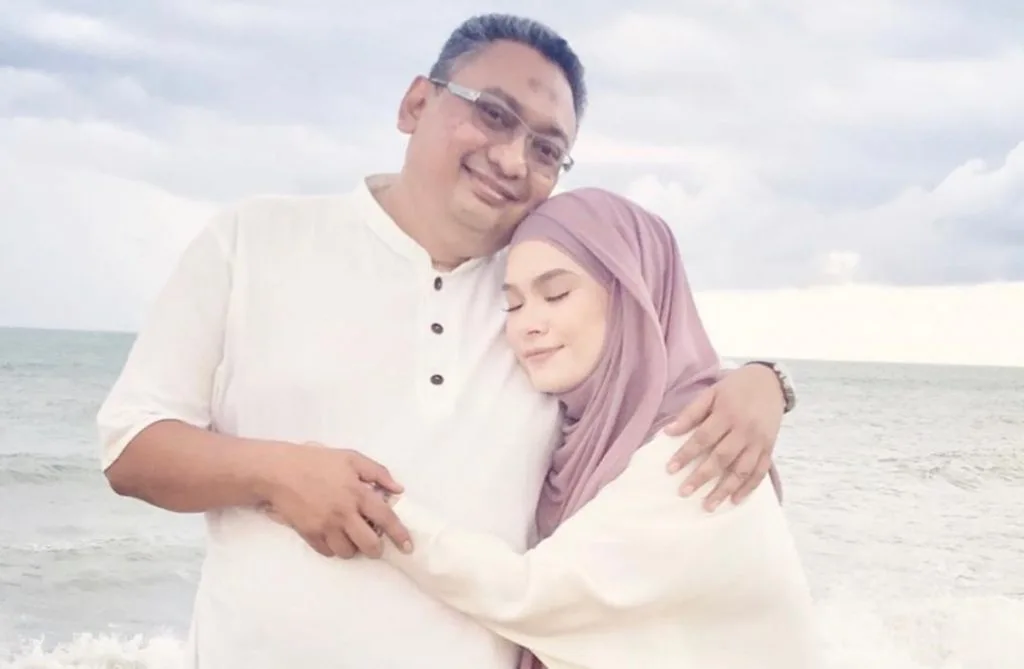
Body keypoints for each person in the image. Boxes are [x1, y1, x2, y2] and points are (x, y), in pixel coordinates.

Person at [96, 14, 797, 669]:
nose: (514, 158)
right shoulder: (254, 239)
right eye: (493, 114)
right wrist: (275, 471)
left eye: (547, 149)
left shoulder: (537, 296)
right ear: (415, 104)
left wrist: (765, 380)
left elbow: (648, 375)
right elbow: (131, 447)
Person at [375, 188, 817, 669]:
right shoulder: (583, 433)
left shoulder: (704, 442)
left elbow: (533, 596)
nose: (528, 325)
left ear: (634, 295)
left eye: (556, 294)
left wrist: (373, 509)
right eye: (514, 305)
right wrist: (770, 377)